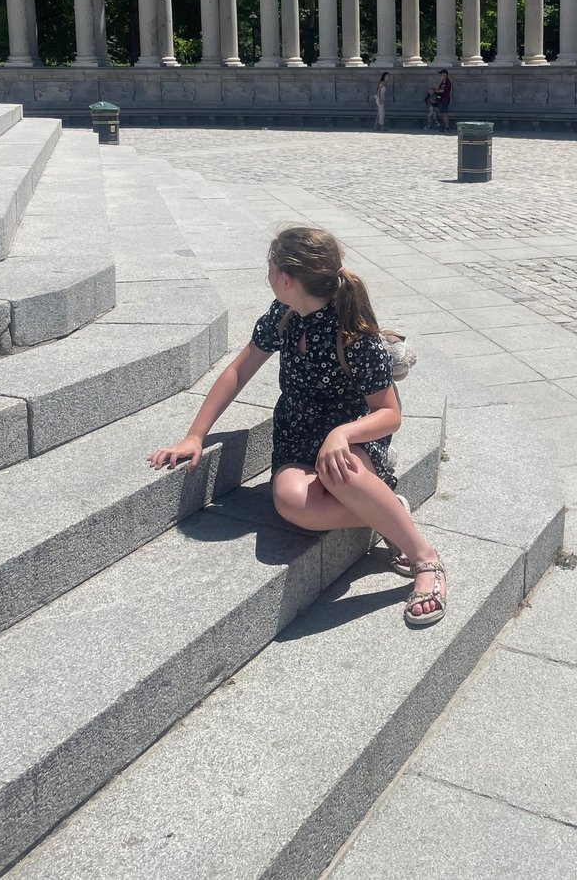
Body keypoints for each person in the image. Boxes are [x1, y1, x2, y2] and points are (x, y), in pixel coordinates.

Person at [147, 226, 447, 628]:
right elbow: (239, 370)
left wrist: (341, 435)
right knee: (289, 502)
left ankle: (425, 557)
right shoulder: (283, 316)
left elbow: (389, 414)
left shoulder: (355, 337)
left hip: (353, 441)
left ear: (285, 279)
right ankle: (388, 509)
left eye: (269, 269)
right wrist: (195, 434)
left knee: (338, 472)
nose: (267, 276)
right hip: (297, 439)